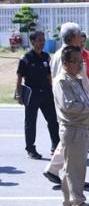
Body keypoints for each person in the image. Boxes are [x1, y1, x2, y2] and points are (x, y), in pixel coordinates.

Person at [53, 46, 89, 206]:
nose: (79, 65)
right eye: (75, 61)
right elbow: (69, 107)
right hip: (74, 129)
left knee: (70, 168)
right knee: (76, 170)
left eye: (80, 61)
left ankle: (69, 201)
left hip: (79, 129)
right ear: (65, 63)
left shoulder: (75, 78)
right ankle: (78, 204)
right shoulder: (62, 81)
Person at [42, 22, 89, 188]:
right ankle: (72, 180)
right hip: (73, 106)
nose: (82, 39)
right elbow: (64, 83)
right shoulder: (65, 56)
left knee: (71, 140)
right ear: (72, 37)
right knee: (74, 140)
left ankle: (57, 171)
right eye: (79, 35)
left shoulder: (70, 53)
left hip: (79, 104)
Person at [15, 30, 59, 159]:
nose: (42, 42)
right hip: (32, 95)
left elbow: (49, 75)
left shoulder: (46, 56)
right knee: (30, 123)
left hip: (46, 93)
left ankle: (56, 145)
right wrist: (19, 94)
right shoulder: (26, 58)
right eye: (39, 40)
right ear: (32, 41)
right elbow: (19, 77)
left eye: (43, 40)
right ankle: (30, 149)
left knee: (53, 120)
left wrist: (53, 90)